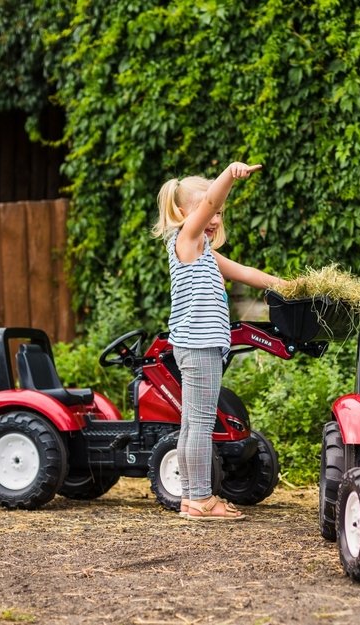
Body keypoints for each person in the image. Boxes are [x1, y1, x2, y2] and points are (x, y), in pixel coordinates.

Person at [153, 161, 285, 520]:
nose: (213, 217)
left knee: (192, 423)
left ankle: (191, 498)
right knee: (199, 423)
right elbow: (211, 202)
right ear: (182, 213)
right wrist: (228, 174)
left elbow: (245, 272)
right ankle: (200, 499)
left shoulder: (204, 252)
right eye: (204, 210)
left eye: (219, 213)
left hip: (200, 345)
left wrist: (286, 286)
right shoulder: (187, 240)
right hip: (197, 345)